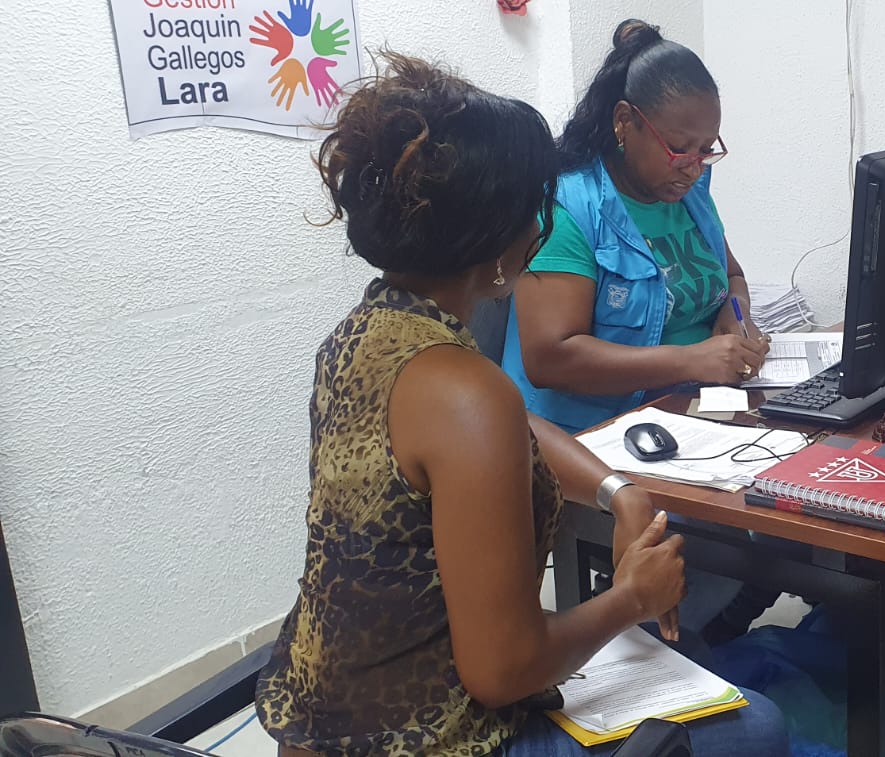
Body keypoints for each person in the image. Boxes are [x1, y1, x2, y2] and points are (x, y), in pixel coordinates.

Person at [253, 52, 787, 757]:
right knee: (760, 728)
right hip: (427, 740)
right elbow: (503, 672)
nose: (547, 219)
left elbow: (514, 420)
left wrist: (617, 490)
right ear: (498, 235)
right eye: (538, 202)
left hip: (325, 724)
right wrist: (632, 597)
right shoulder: (467, 397)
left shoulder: (366, 334)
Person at [501, 18, 770, 436]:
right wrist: (691, 360)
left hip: (695, 411)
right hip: (594, 434)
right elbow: (549, 358)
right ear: (625, 122)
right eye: (678, 149)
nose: (694, 168)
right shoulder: (567, 206)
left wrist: (736, 316)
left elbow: (732, 276)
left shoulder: (689, 193)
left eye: (705, 150)